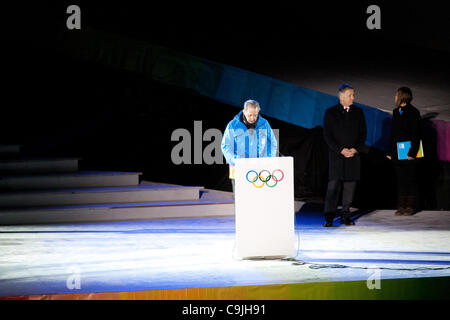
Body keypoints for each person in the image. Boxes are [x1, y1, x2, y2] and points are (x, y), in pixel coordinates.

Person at [322, 84, 367, 227]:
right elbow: (327, 135)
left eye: (353, 95)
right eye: (350, 95)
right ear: (341, 97)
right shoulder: (330, 112)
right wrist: (340, 150)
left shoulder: (358, 112)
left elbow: (363, 134)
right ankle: (329, 217)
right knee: (333, 187)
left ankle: (346, 216)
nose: (353, 98)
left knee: (349, 188)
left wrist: (355, 149)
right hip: (337, 156)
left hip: (353, 156)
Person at [221, 99, 278, 196]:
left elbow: (272, 143)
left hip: (259, 168)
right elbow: (226, 146)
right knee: (241, 200)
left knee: (258, 198)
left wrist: (268, 158)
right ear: (244, 111)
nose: (253, 118)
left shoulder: (264, 124)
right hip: (238, 169)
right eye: (250, 115)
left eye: (255, 115)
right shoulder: (232, 125)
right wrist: (236, 160)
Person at [386, 87, 421, 216]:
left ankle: (410, 206)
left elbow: (416, 134)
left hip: (409, 152)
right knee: (400, 179)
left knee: (410, 179)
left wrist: (412, 153)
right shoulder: (396, 112)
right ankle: (401, 206)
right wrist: (389, 151)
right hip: (397, 151)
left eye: (396, 95)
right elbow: (393, 134)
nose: (395, 97)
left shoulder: (414, 112)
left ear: (402, 96)